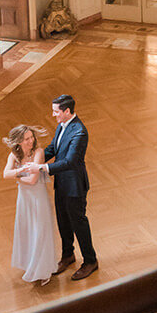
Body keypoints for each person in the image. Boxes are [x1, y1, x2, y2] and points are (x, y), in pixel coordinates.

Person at [43, 94, 98, 280]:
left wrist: (43, 168)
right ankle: (68, 255)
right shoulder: (61, 126)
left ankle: (90, 261)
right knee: (63, 222)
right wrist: (30, 161)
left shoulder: (79, 132)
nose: (53, 115)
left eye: (56, 111)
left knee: (79, 223)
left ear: (67, 111)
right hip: (61, 183)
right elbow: (52, 149)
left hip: (74, 186)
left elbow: (70, 161)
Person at [2, 124, 54, 285]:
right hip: (24, 199)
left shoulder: (38, 152)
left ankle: (43, 270)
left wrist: (17, 174)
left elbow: (33, 180)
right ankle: (30, 263)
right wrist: (22, 172)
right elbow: (5, 174)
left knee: (40, 231)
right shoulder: (14, 155)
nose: (31, 141)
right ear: (18, 142)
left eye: (31, 137)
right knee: (27, 230)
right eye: (27, 139)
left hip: (38, 198)